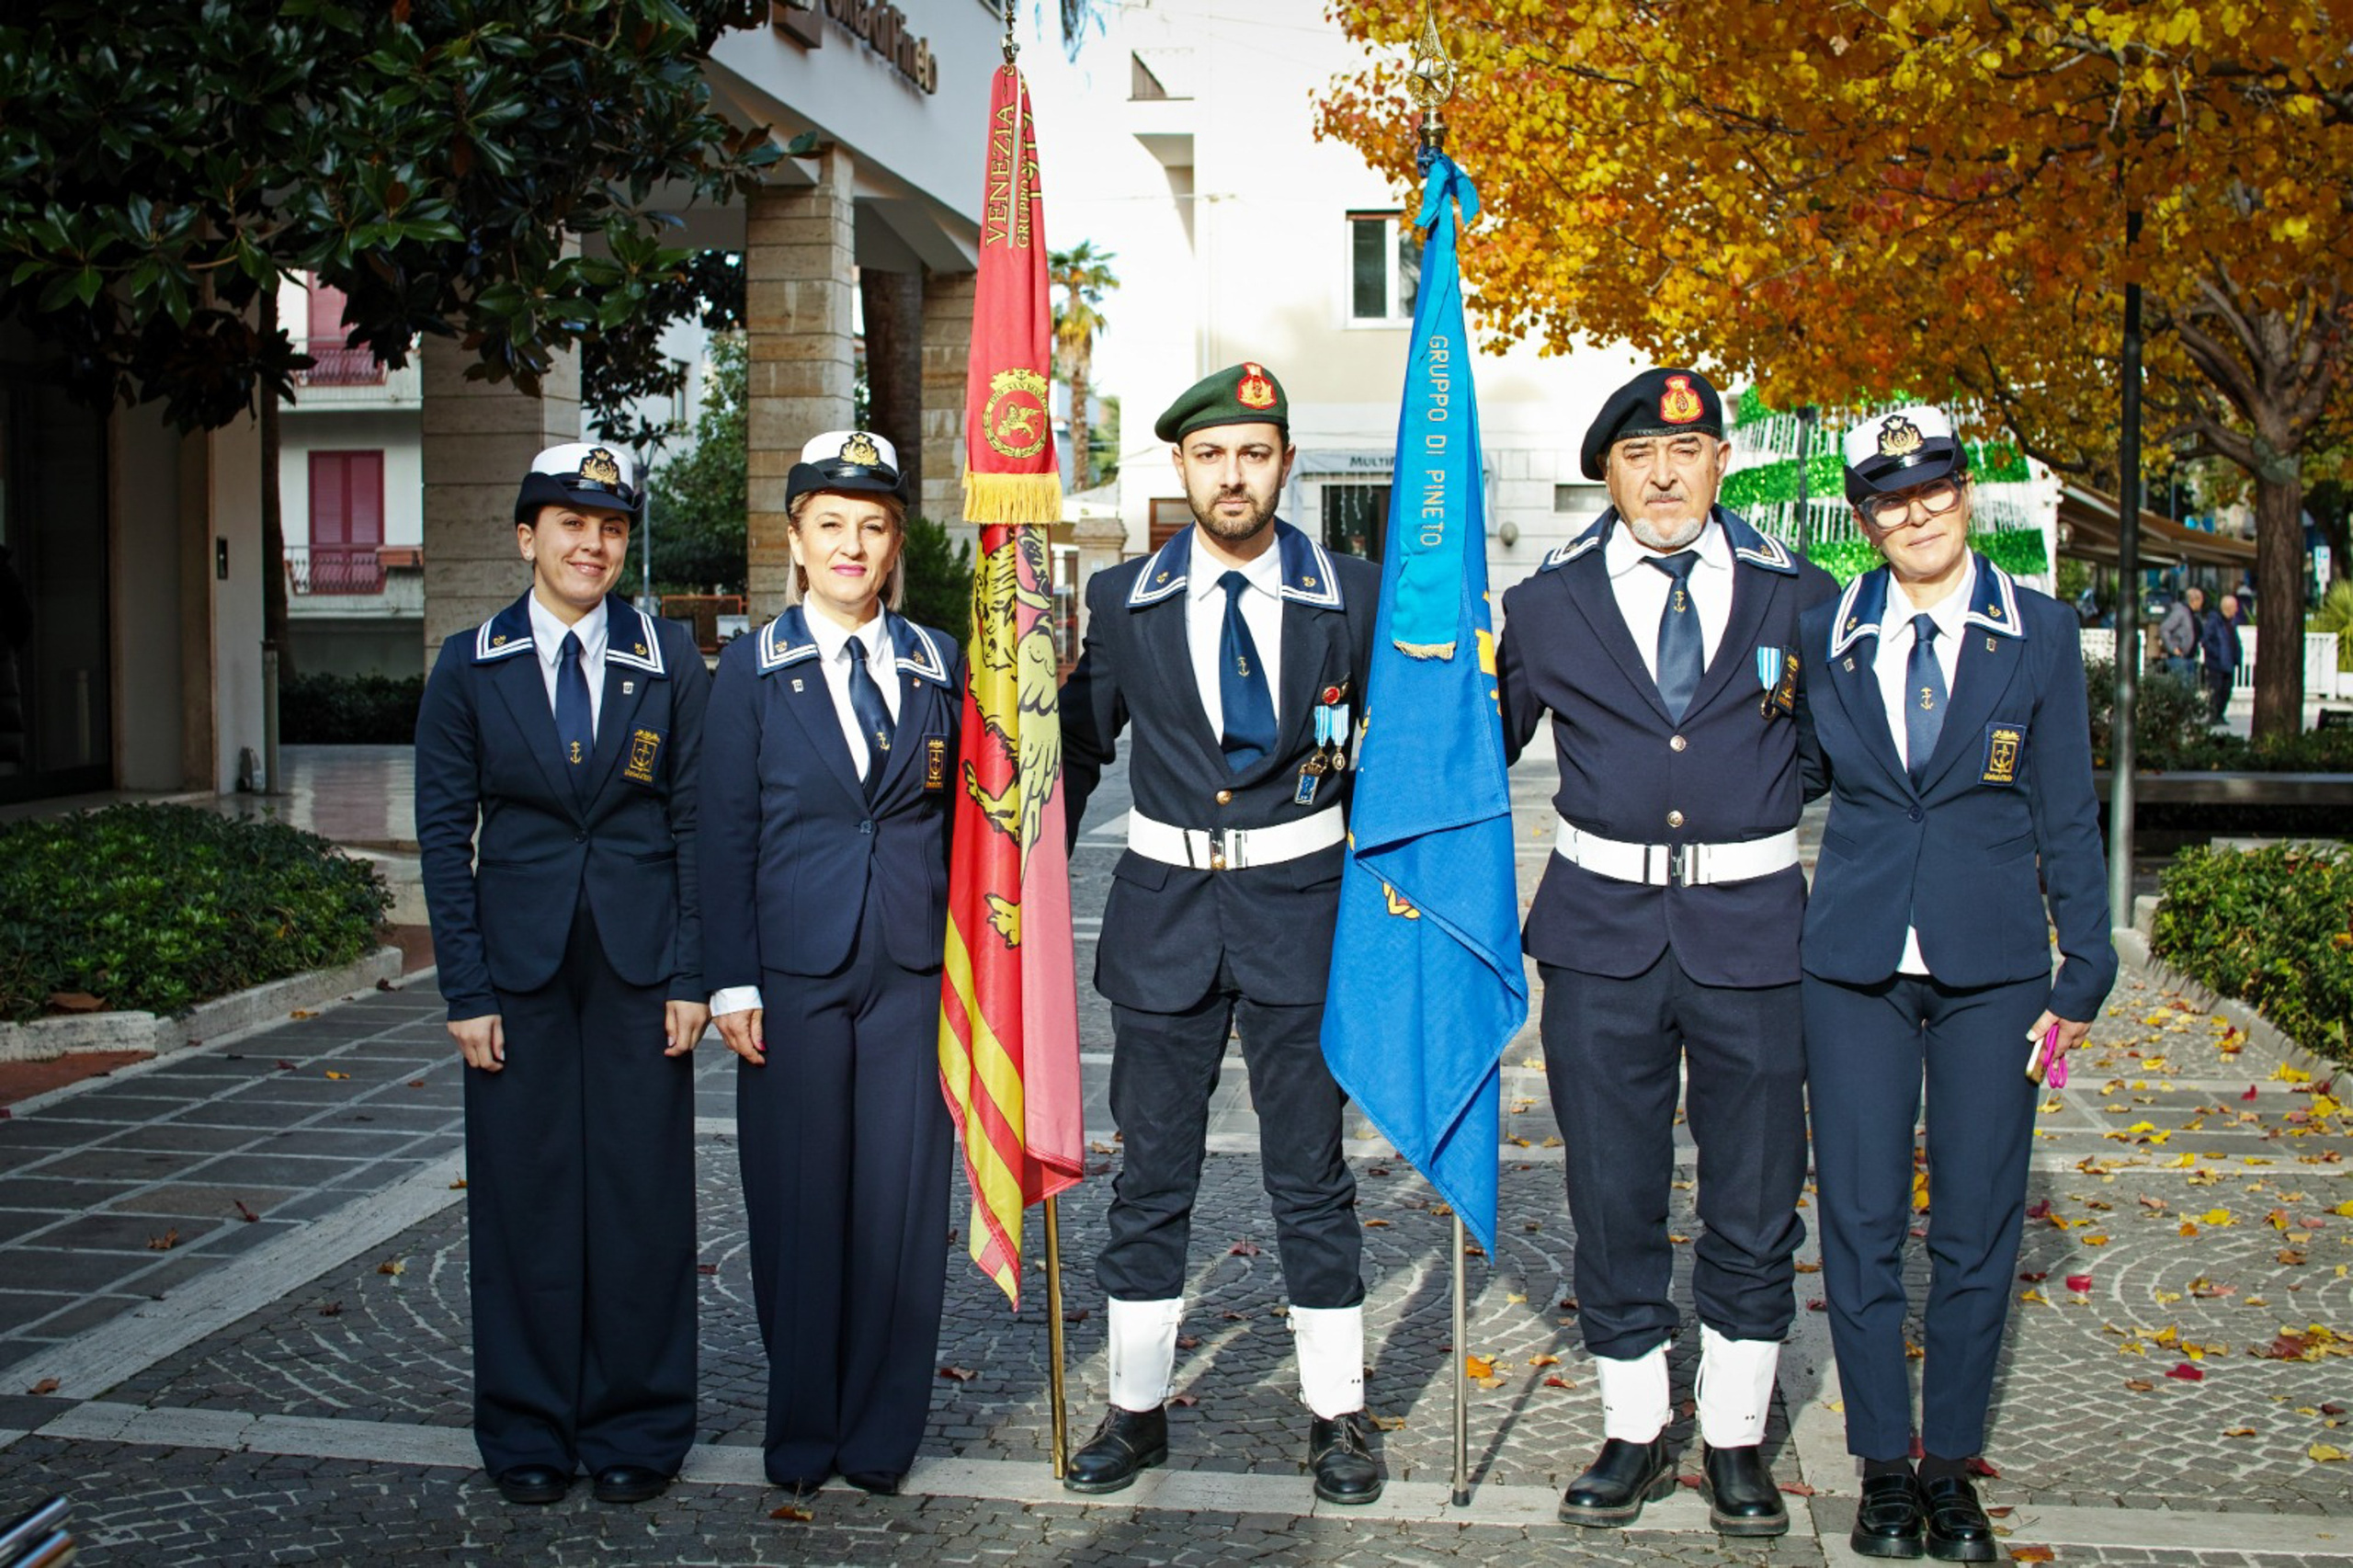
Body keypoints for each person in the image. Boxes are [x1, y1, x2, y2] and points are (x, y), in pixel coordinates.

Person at [1495, 367, 1839, 1537]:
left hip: (1754, 931)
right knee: (1612, 1189)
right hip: (1602, 936)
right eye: (1638, 455)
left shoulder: (1799, 594)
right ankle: (1635, 1425)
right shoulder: (1547, 603)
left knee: (1756, 1190)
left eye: (1685, 452)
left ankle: (1734, 1433)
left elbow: (1826, 751)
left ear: (1719, 462)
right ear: (1607, 471)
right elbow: (1477, 746)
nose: (1662, 475)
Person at [1057, 362, 1385, 1504]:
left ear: (1284, 462)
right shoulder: (1122, 598)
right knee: (1151, 1174)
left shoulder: (1352, 594)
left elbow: (1400, 753)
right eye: (1210, 455)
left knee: (1310, 1173)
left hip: (1303, 914)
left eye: (1252, 453)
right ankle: (1134, 1407)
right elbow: (1079, 749)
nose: (1231, 475)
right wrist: (1022, 880)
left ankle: (1337, 1413)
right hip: (1164, 919)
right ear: (1182, 467)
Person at [1800, 405, 2114, 1562]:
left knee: (1978, 1225)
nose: (1916, 513)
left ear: (1965, 490)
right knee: (1861, 1219)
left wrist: (2086, 966)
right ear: (1864, 518)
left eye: (1933, 487)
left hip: (1994, 971)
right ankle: (1885, 1464)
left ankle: (1949, 1469)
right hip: (1854, 966)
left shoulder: (2038, 630)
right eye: (1889, 499)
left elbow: (2065, 808)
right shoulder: (1826, 631)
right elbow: (1787, 772)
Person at [414, 443, 710, 1507]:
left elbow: (695, 821)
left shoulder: (667, 657)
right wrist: (465, 989)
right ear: (525, 536)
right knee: (523, 1199)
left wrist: (693, 972)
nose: (593, 545)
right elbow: (443, 835)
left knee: (641, 1198)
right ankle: (528, 1423)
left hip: (641, 969)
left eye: (612, 527)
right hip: (517, 971)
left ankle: (640, 1421)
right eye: (572, 524)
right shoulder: (469, 663)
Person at [699, 431, 965, 1499]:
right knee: (800, 1203)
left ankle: (880, 1432)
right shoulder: (750, 670)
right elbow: (720, 830)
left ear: (895, 542)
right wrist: (730, 976)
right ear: (797, 540)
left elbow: (976, 821)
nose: (852, 544)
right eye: (831, 525)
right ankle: (804, 1429)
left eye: (873, 525)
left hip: (911, 967)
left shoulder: (940, 662)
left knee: (900, 1206)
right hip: (793, 976)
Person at [2196, 587, 2238, 722]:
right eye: (2235, 607)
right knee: (2216, 691)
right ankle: (2214, 715)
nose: (2237, 610)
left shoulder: (2231, 623)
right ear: (2228, 608)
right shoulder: (2214, 621)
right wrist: (2216, 654)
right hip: (2216, 664)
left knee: (2226, 691)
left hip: (2228, 663)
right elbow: (2205, 640)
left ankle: (2220, 715)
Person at [2156, 590, 2197, 686]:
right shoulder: (2180, 612)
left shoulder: (2193, 614)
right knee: (2182, 688)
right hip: (2179, 658)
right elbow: (2164, 628)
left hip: (2189, 658)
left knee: (2189, 689)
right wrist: (2172, 647)